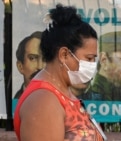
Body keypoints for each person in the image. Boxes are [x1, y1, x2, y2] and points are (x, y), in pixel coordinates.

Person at [13, 4, 106, 141]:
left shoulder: (63, 92)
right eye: (89, 58)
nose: (92, 65)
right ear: (64, 55)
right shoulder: (43, 102)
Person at [14, 31, 45, 99]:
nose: (40, 67)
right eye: (32, 58)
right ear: (20, 66)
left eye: (45, 59)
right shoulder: (13, 104)